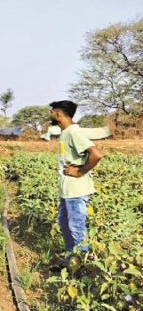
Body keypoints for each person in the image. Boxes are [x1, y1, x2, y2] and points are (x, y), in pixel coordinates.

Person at [50, 100, 102, 255]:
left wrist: (79, 171)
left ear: (58, 114)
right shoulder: (65, 133)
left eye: (52, 112)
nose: (50, 115)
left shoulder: (73, 133)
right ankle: (71, 258)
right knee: (64, 223)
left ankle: (83, 262)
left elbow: (96, 154)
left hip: (76, 190)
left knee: (76, 227)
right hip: (67, 190)